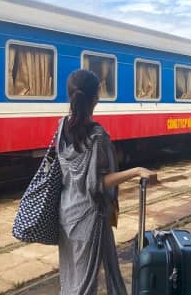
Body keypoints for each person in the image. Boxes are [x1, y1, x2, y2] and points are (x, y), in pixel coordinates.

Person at [57, 69, 158, 295]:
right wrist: (136, 171)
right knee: (84, 286)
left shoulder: (62, 128)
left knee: (71, 279)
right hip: (88, 217)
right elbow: (98, 183)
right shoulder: (98, 135)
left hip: (65, 214)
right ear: (96, 97)